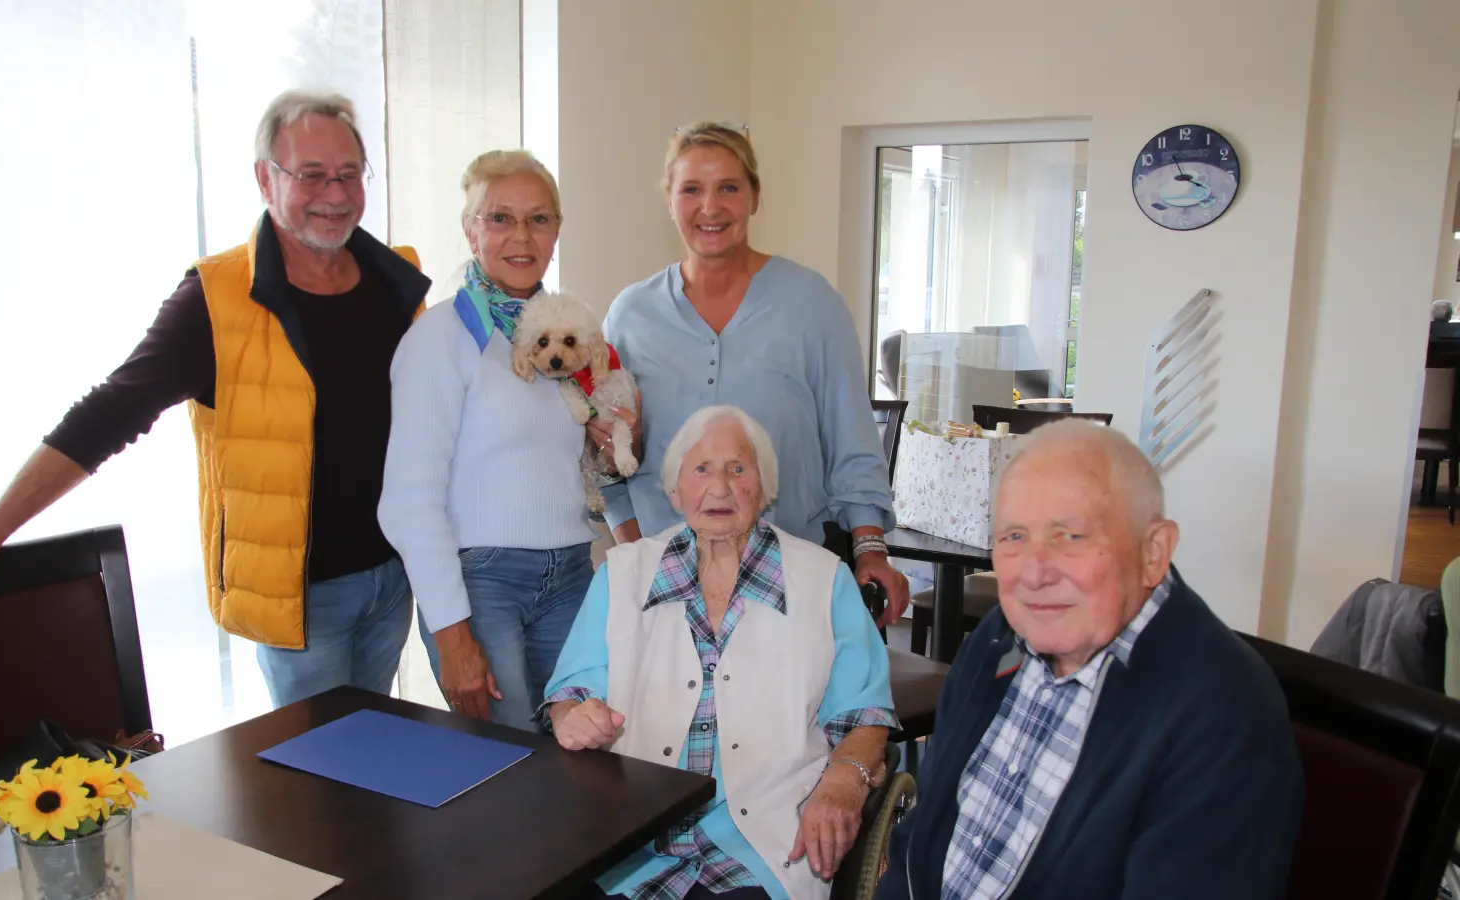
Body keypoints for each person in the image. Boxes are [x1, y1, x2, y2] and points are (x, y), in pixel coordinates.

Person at [0, 90, 433, 709]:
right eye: (312, 175)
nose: (336, 195)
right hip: (300, 598)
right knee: (321, 774)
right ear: (266, 179)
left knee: (375, 750)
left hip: (394, 578)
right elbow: (111, 412)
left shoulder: (395, 281)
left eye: (349, 175)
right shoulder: (215, 299)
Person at [876, 420, 1304, 900]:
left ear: (1154, 551)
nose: (1034, 573)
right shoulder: (1000, 639)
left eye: (1071, 536)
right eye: (1014, 536)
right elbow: (925, 833)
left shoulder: (1225, 718)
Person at [545, 405, 898, 900]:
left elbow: (864, 715)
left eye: (738, 469)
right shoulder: (621, 575)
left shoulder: (824, 580)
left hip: (766, 845)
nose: (719, 487)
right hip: (631, 845)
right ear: (674, 490)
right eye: (701, 469)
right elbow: (571, 694)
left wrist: (844, 782)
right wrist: (573, 716)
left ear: (764, 487)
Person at [595, 121, 910, 624]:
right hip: (663, 592)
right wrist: (635, 552)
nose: (710, 207)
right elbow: (604, 452)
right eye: (691, 190)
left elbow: (853, 443)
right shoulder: (630, 316)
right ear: (669, 201)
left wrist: (871, 550)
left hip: (790, 583)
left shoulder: (813, 305)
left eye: (728, 188)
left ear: (755, 196)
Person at [378, 150, 614, 731]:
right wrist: (452, 634)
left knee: (583, 760)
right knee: (507, 771)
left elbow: (570, 465)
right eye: (500, 217)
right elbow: (408, 503)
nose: (521, 236)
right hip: (483, 585)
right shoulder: (440, 338)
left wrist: (608, 444)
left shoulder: (567, 337)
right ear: (470, 229)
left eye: (539, 219)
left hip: (572, 572)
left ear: (557, 230)